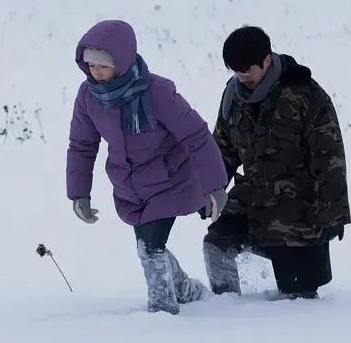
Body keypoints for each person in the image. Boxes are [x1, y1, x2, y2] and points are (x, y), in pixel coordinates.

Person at [66, 19, 229, 314]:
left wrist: (215, 187)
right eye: (91, 65)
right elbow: (82, 146)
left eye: (103, 65)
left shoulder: (157, 92)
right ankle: (185, 288)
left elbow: (197, 136)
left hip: (172, 180)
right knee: (149, 246)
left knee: (150, 249)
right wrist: (79, 193)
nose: (96, 72)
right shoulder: (89, 97)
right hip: (130, 186)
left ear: (123, 60)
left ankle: (162, 309)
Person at [203, 26, 350, 299]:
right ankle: (226, 308)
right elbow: (222, 147)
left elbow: (330, 156)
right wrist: (210, 190)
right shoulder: (233, 95)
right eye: (235, 70)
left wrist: (333, 211)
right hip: (252, 199)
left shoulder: (305, 95)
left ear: (267, 60)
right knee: (217, 245)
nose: (240, 76)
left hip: (298, 213)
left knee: (298, 295)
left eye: (247, 69)